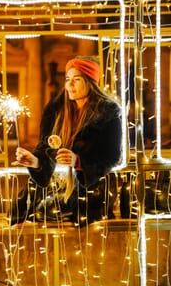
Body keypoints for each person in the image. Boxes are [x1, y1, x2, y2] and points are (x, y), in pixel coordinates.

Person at [12, 55, 122, 226]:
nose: (69, 85)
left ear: (90, 82)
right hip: (57, 183)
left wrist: (78, 161)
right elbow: (44, 149)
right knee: (22, 208)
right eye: (67, 79)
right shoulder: (55, 110)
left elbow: (112, 156)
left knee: (56, 210)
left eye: (76, 79)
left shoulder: (108, 111)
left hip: (91, 185)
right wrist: (35, 162)